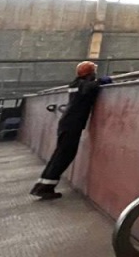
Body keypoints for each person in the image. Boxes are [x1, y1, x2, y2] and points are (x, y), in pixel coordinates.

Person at [29, 61, 111, 200]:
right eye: (93, 72)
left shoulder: (75, 84)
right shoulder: (82, 85)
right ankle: (44, 188)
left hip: (68, 124)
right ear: (89, 73)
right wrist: (101, 81)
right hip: (72, 125)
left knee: (60, 155)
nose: (95, 74)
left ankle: (43, 185)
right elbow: (89, 88)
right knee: (63, 156)